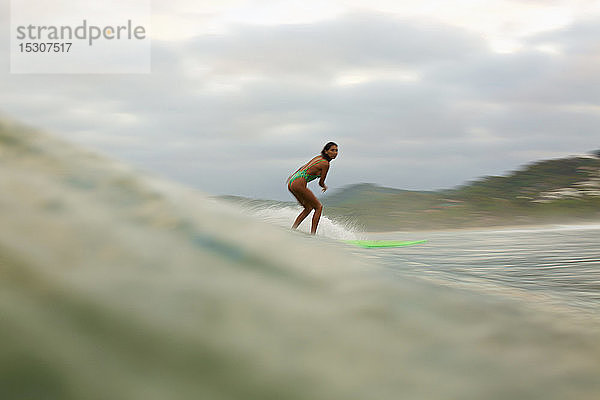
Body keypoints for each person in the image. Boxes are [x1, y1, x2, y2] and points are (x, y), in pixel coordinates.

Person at [286, 142, 338, 234]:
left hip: (292, 182)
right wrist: (324, 186)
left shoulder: (318, 158)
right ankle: (313, 235)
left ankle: (293, 230)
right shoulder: (325, 164)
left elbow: (303, 167)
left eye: (336, 150)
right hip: (299, 183)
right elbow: (321, 182)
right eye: (332, 150)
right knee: (318, 207)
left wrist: (293, 176)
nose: (335, 152)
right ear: (326, 151)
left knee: (308, 208)